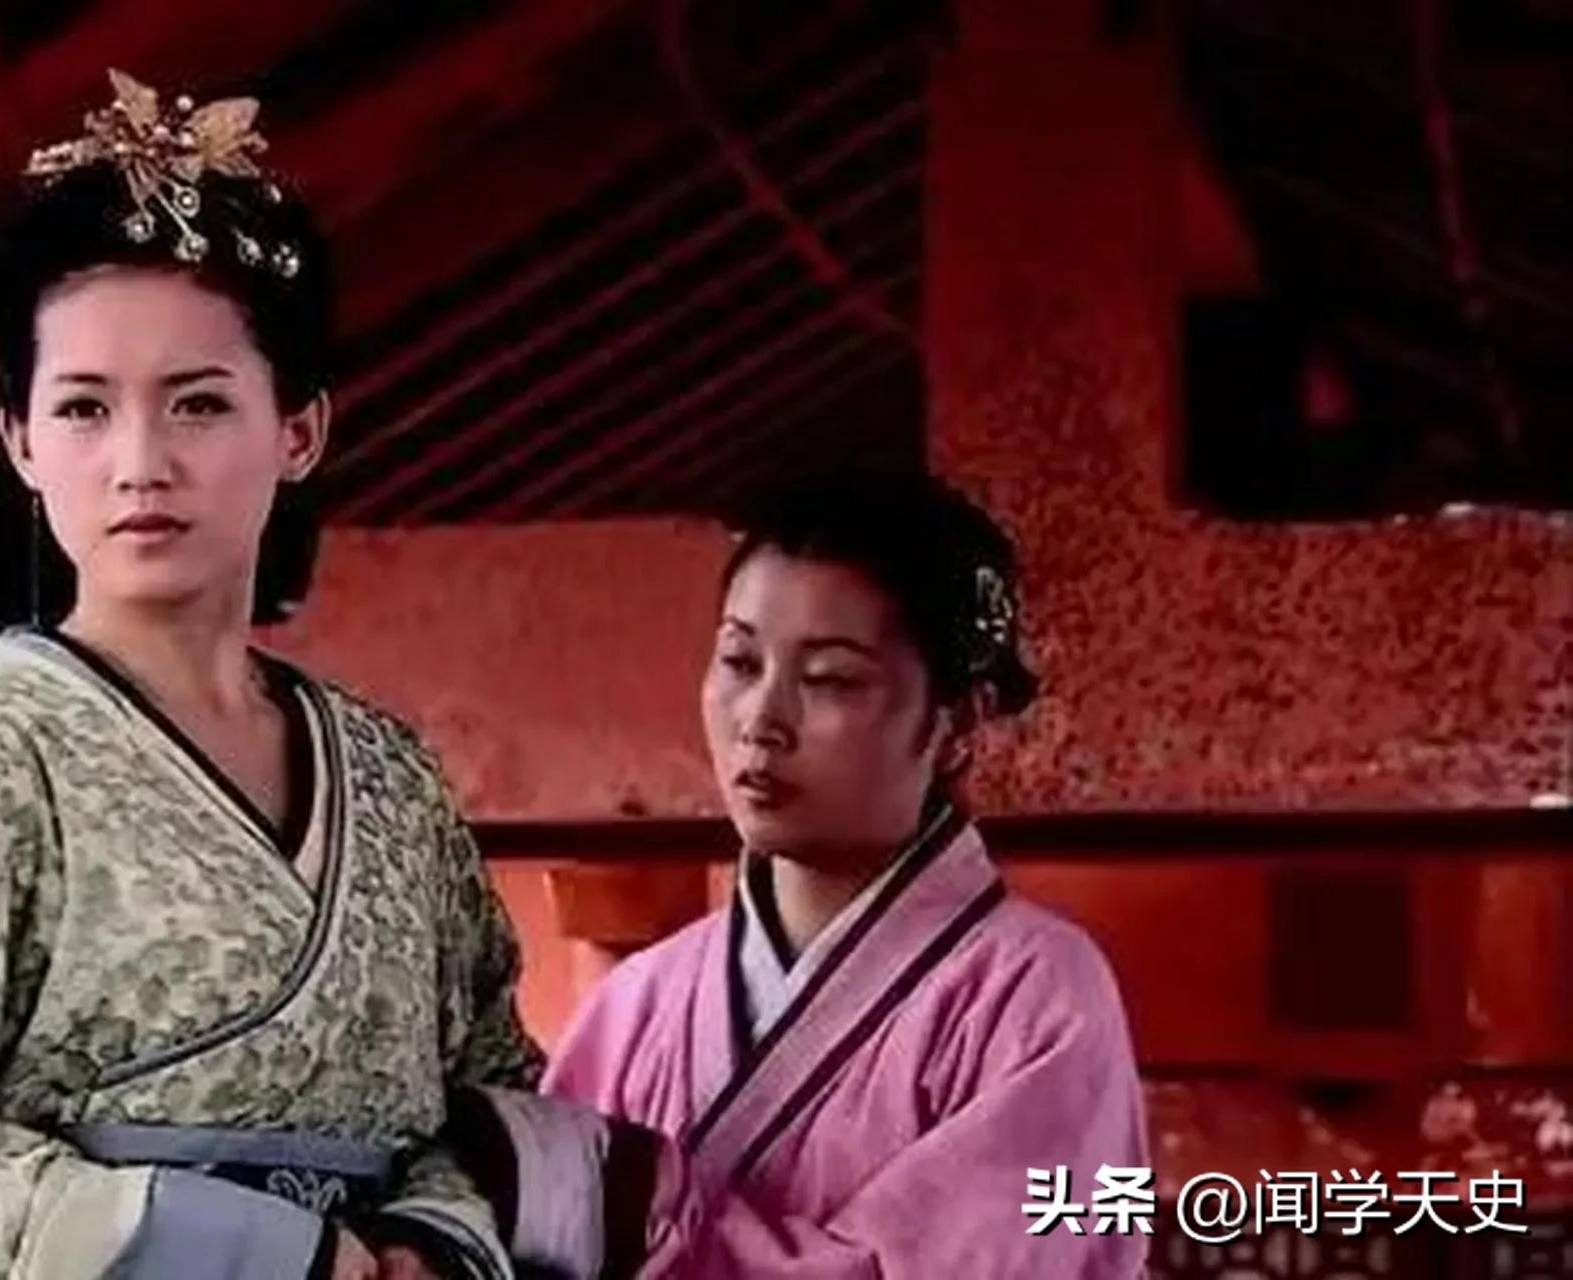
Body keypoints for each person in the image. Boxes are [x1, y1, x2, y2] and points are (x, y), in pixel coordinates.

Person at [0, 71, 540, 1279]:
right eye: (81, 408)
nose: (138, 462)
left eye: (198, 403)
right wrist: (242, 1250)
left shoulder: (393, 782)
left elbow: (497, 1097)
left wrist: (431, 1236)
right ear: (20, 442)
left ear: (300, 429)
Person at [444, 471, 1148, 1278]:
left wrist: (635, 1208)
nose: (761, 721)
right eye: (740, 662)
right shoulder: (636, 1006)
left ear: (957, 721)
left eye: (829, 679)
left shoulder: (1038, 996)